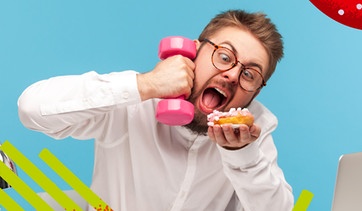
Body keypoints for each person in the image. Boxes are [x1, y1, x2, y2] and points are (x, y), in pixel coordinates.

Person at [18, 9, 294, 211]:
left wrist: (242, 156)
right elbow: (31, 109)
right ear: (193, 52)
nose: (233, 75)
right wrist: (144, 84)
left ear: (255, 93)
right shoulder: (133, 104)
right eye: (224, 57)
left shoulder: (253, 130)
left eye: (249, 75)